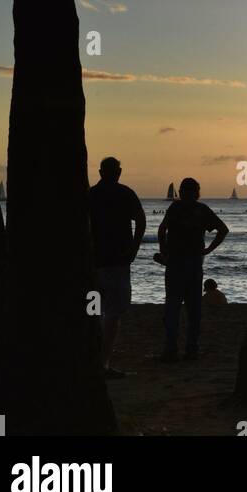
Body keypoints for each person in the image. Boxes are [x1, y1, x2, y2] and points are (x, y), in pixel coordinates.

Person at [156, 178, 228, 361]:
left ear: (180, 192)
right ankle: (191, 349)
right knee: (193, 310)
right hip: (195, 264)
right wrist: (208, 250)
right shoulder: (201, 210)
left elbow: (162, 229)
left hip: (175, 263)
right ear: (197, 192)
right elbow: (223, 230)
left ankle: (171, 349)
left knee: (172, 308)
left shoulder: (175, 208)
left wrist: (164, 251)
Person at [88, 156, 146, 378]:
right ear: (119, 172)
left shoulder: (90, 194)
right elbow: (140, 221)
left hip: (94, 263)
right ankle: (102, 363)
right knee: (113, 314)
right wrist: (133, 250)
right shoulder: (125, 194)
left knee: (94, 311)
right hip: (117, 262)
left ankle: (93, 360)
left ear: (101, 172)